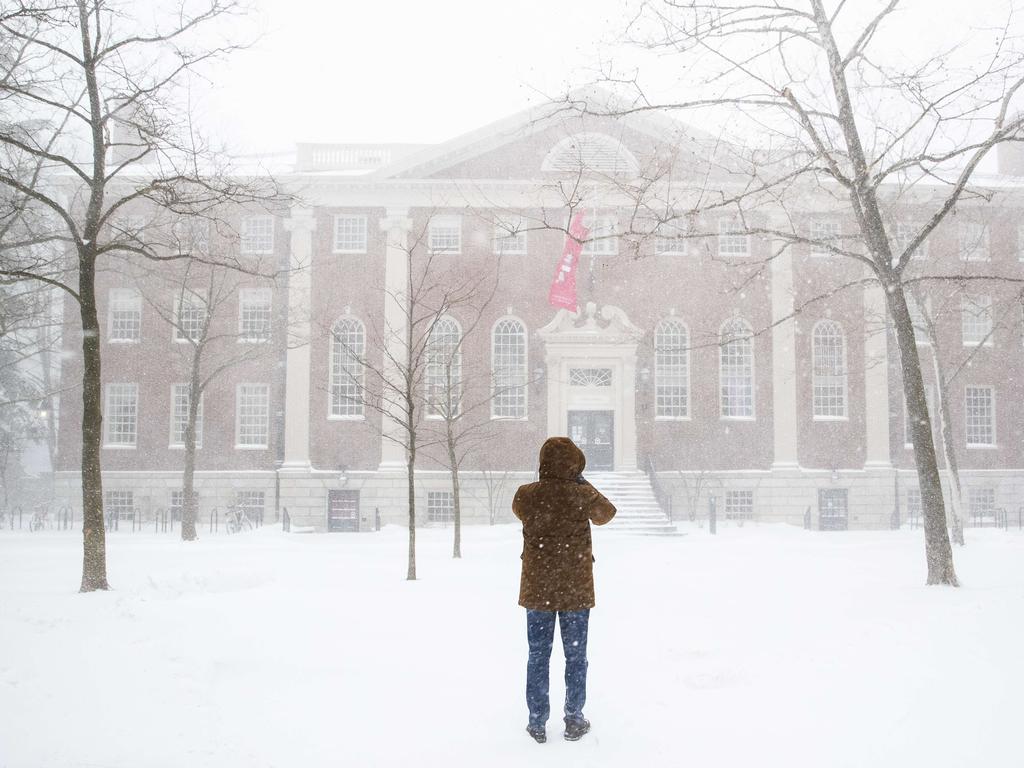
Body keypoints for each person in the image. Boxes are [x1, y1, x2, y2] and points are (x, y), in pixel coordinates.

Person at [512, 436, 616, 744]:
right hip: (575, 589)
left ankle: (536, 722)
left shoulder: (526, 495)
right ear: (576, 463)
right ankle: (573, 719)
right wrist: (581, 482)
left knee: (538, 655)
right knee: (576, 656)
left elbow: (520, 510)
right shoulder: (582, 495)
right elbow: (606, 514)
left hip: (537, 588)